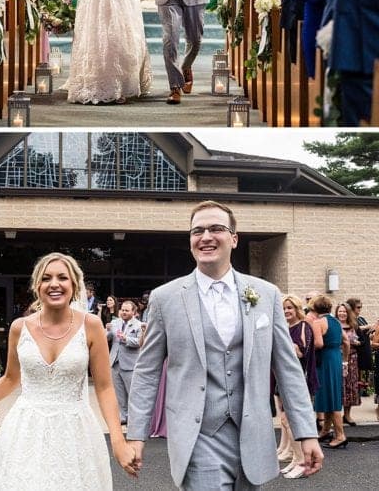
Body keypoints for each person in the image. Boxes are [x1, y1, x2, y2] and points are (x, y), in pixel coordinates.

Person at [126, 201, 323, 487]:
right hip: (198, 436)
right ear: (191, 241)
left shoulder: (265, 294)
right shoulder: (165, 298)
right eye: (197, 231)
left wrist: (307, 432)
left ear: (234, 238)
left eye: (216, 228)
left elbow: (288, 368)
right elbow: (146, 372)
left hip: (253, 435)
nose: (206, 237)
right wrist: (136, 435)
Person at [0, 253, 137, 489]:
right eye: (46, 278)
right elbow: (10, 378)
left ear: (74, 284)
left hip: (75, 432)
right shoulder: (19, 327)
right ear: (37, 285)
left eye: (62, 278)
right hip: (25, 431)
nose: (54, 284)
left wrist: (118, 440)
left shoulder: (91, 325)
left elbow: (104, 386)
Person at [277, 294, 317, 479]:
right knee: (284, 421)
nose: (286, 311)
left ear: (297, 309)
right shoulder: (285, 327)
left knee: (293, 421)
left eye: (290, 308)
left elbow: (303, 353)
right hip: (281, 377)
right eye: (284, 308)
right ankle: (295, 458)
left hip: (297, 379)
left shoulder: (303, 326)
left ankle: (302, 461)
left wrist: (287, 346)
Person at [310, 294, 346, 448]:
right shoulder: (337, 322)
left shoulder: (318, 322)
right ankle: (325, 430)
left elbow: (318, 343)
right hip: (336, 357)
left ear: (315, 308)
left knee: (330, 396)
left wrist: (307, 348)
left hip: (324, 359)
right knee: (332, 394)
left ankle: (340, 435)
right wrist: (344, 359)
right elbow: (346, 341)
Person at [107, 300, 142, 427]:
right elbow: (107, 338)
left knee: (132, 393)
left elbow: (140, 342)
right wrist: (106, 330)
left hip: (130, 363)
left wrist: (126, 339)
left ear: (134, 312)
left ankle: (134, 418)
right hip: (115, 362)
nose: (124, 312)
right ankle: (123, 416)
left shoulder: (139, 325)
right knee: (119, 392)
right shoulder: (115, 322)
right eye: (122, 310)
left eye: (127, 310)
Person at [336, 302, 362, 426]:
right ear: (336, 313)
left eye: (344, 311)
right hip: (337, 358)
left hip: (352, 359)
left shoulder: (353, 325)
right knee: (338, 386)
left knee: (350, 386)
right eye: (340, 311)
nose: (342, 313)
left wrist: (356, 343)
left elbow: (361, 341)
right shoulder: (334, 325)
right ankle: (335, 416)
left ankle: (347, 415)